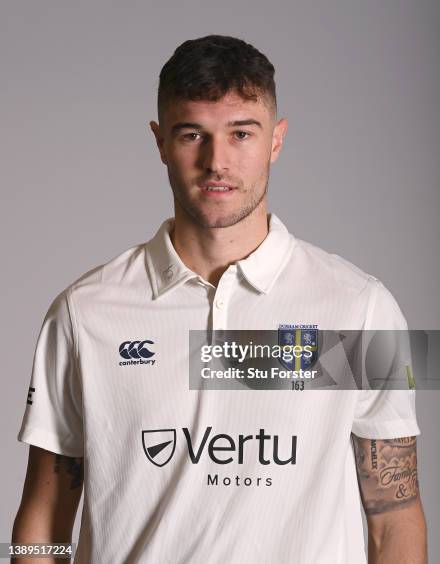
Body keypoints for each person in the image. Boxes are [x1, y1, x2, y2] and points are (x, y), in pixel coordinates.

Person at [12, 34, 427, 563]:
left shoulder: (364, 309)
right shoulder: (82, 312)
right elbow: (43, 515)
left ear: (276, 140)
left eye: (241, 133)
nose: (217, 162)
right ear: (160, 141)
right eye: (193, 135)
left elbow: (395, 516)